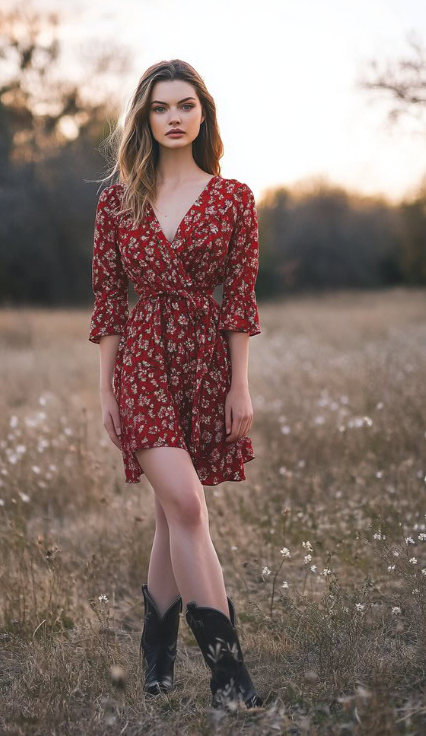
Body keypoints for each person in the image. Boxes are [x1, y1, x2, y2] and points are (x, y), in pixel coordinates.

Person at [88, 59, 264, 710]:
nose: (173, 118)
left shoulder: (234, 199)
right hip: (141, 368)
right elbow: (108, 302)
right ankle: (229, 675)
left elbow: (240, 303)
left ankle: (156, 650)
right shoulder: (117, 200)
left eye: (185, 105)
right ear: (145, 118)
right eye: (160, 108)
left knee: (172, 514)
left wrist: (238, 387)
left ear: (202, 114)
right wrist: (107, 392)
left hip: (204, 366)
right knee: (188, 506)